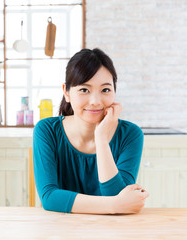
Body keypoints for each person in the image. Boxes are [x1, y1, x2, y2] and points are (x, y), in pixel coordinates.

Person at [33, 48, 149, 214]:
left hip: (114, 231)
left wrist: (101, 138)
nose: (95, 101)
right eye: (84, 90)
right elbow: (50, 197)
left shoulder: (130, 134)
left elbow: (116, 195)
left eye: (105, 90)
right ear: (66, 92)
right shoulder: (47, 131)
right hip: (61, 229)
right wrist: (114, 205)